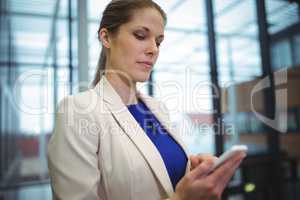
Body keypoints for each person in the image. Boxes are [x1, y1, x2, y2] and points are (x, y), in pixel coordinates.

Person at [47, 0, 246, 200]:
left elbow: (163, 180)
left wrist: (193, 173)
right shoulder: (78, 110)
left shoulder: (158, 109)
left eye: (158, 42)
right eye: (140, 36)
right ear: (106, 38)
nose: (154, 49)